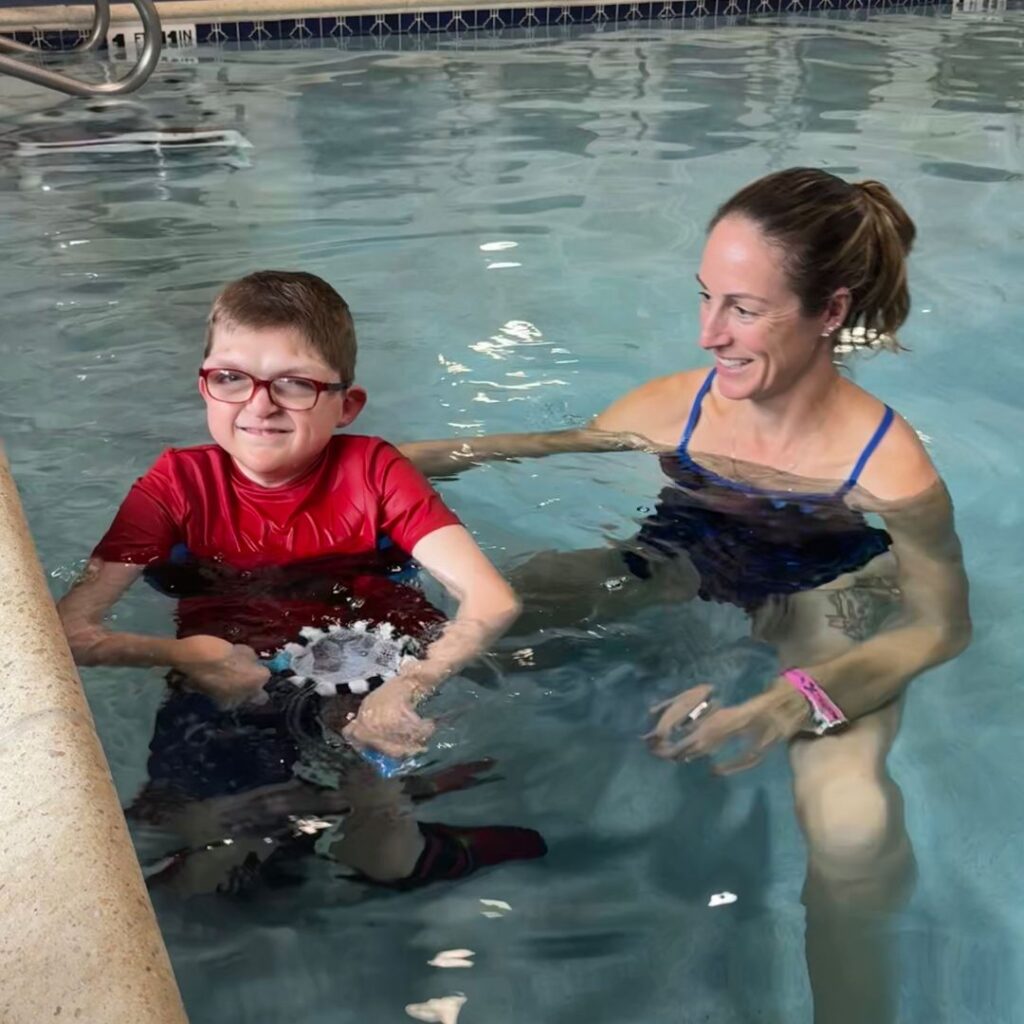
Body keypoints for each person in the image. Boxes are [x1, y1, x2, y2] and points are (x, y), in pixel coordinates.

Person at [399, 169, 972, 1023]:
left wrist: (795, 699)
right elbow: (517, 448)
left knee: (853, 827)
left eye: (743, 308)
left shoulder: (890, 472)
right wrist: (344, 461)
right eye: (706, 298)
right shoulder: (678, 407)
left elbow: (942, 626)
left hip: (828, 596)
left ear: (831, 311)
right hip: (686, 558)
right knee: (489, 608)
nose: (709, 333)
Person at [57, 270, 544, 895]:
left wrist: (407, 688)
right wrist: (179, 654)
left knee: (385, 857)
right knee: (208, 865)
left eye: (294, 384)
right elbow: (65, 633)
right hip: (230, 678)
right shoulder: (175, 487)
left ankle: (419, 846)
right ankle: (287, 833)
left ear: (346, 405)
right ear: (205, 386)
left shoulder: (373, 472)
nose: (258, 405)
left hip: (371, 671)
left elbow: (491, 599)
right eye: (232, 378)